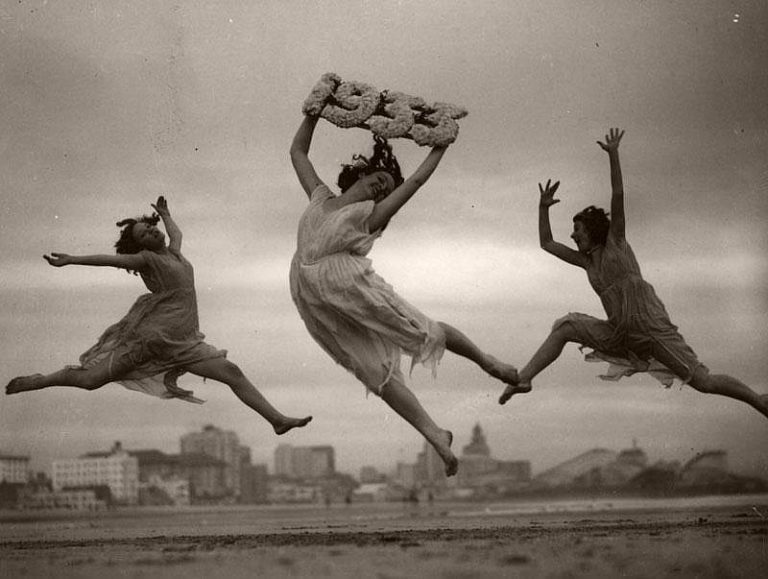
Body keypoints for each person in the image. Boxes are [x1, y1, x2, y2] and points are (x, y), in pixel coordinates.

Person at [289, 114, 519, 476]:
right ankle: (435, 433)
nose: (380, 190)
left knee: (421, 329)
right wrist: (313, 113)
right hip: (313, 298)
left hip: (350, 285)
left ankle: (487, 361)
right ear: (361, 173)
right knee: (375, 371)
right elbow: (298, 152)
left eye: (385, 190)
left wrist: (438, 149)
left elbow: (415, 182)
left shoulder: (369, 215)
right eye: (378, 181)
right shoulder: (320, 197)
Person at [499, 128, 768, 420]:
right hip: (620, 332)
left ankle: (758, 400)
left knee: (703, 382)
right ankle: (524, 378)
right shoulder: (587, 262)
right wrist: (542, 208)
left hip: (651, 329)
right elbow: (547, 243)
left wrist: (613, 154)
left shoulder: (616, 242)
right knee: (565, 328)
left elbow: (617, 194)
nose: (573, 236)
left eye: (577, 230)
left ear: (592, 229)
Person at [6, 197, 312, 435]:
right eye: (145, 233)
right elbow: (109, 260)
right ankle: (39, 381)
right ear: (141, 245)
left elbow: (176, 233)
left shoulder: (175, 253)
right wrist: (72, 259)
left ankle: (276, 420)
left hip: (185, 342)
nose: (152, 231)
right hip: (150, 341)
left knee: (232, 372)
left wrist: (165, 215)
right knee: (90, 381)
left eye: (150, 227)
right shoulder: (146, 259)